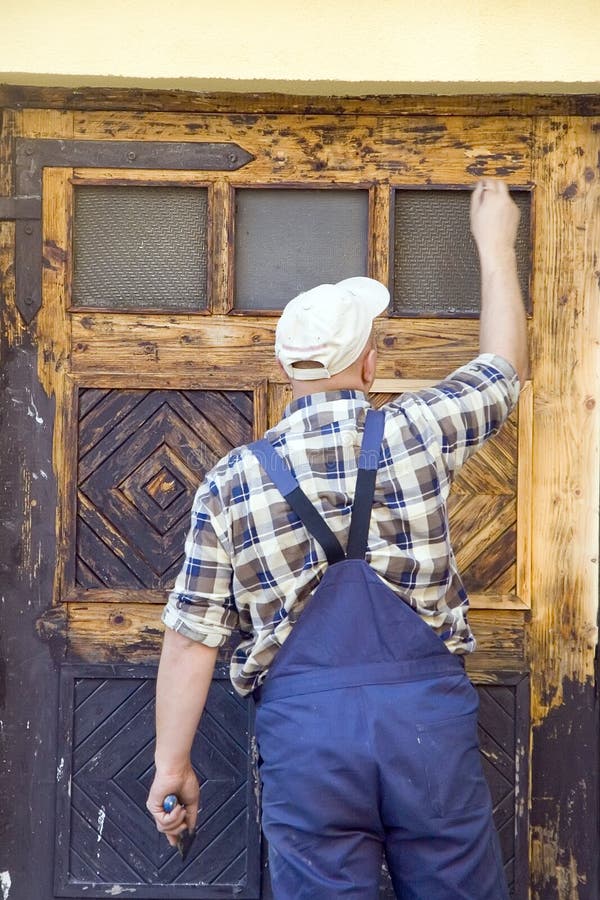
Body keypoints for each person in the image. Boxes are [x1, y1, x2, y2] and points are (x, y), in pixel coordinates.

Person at [147, 178, 528, 899]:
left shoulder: (232, 481)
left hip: (307, 736)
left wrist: (173, 764)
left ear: (286, 372)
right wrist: (495, 245)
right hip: (426, 727)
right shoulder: (417, 431)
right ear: (370, 363)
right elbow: (502, 371)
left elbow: (193, 636)